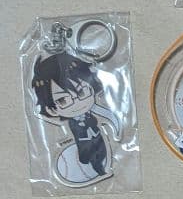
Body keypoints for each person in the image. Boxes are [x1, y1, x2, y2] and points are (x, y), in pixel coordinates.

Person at [31, 51, 120, 183]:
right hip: (83, 145)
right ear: (52, 109)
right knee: (87, 157)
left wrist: (116, 130)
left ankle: (100, 168)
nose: (77, 102)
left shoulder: (94, 112)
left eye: (82, 92)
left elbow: (109, 116)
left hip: (100, 139)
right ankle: (97, 169)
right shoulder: (72, 124)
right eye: (63, 101)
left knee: (101, 153)